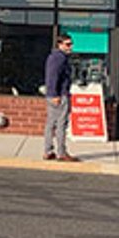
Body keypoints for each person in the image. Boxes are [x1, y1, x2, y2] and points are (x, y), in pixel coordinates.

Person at [42, 33, 78, 162]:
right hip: (59, 95)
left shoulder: (56, 57)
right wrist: (54, 94)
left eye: (71, 44)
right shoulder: (59, 58)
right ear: (60, 44)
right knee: (61, 124)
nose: (70, 47)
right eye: (68, 44)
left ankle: (48, 150)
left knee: (51, 123)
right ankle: (61, 153)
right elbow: (52, 77)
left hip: (55, 94)